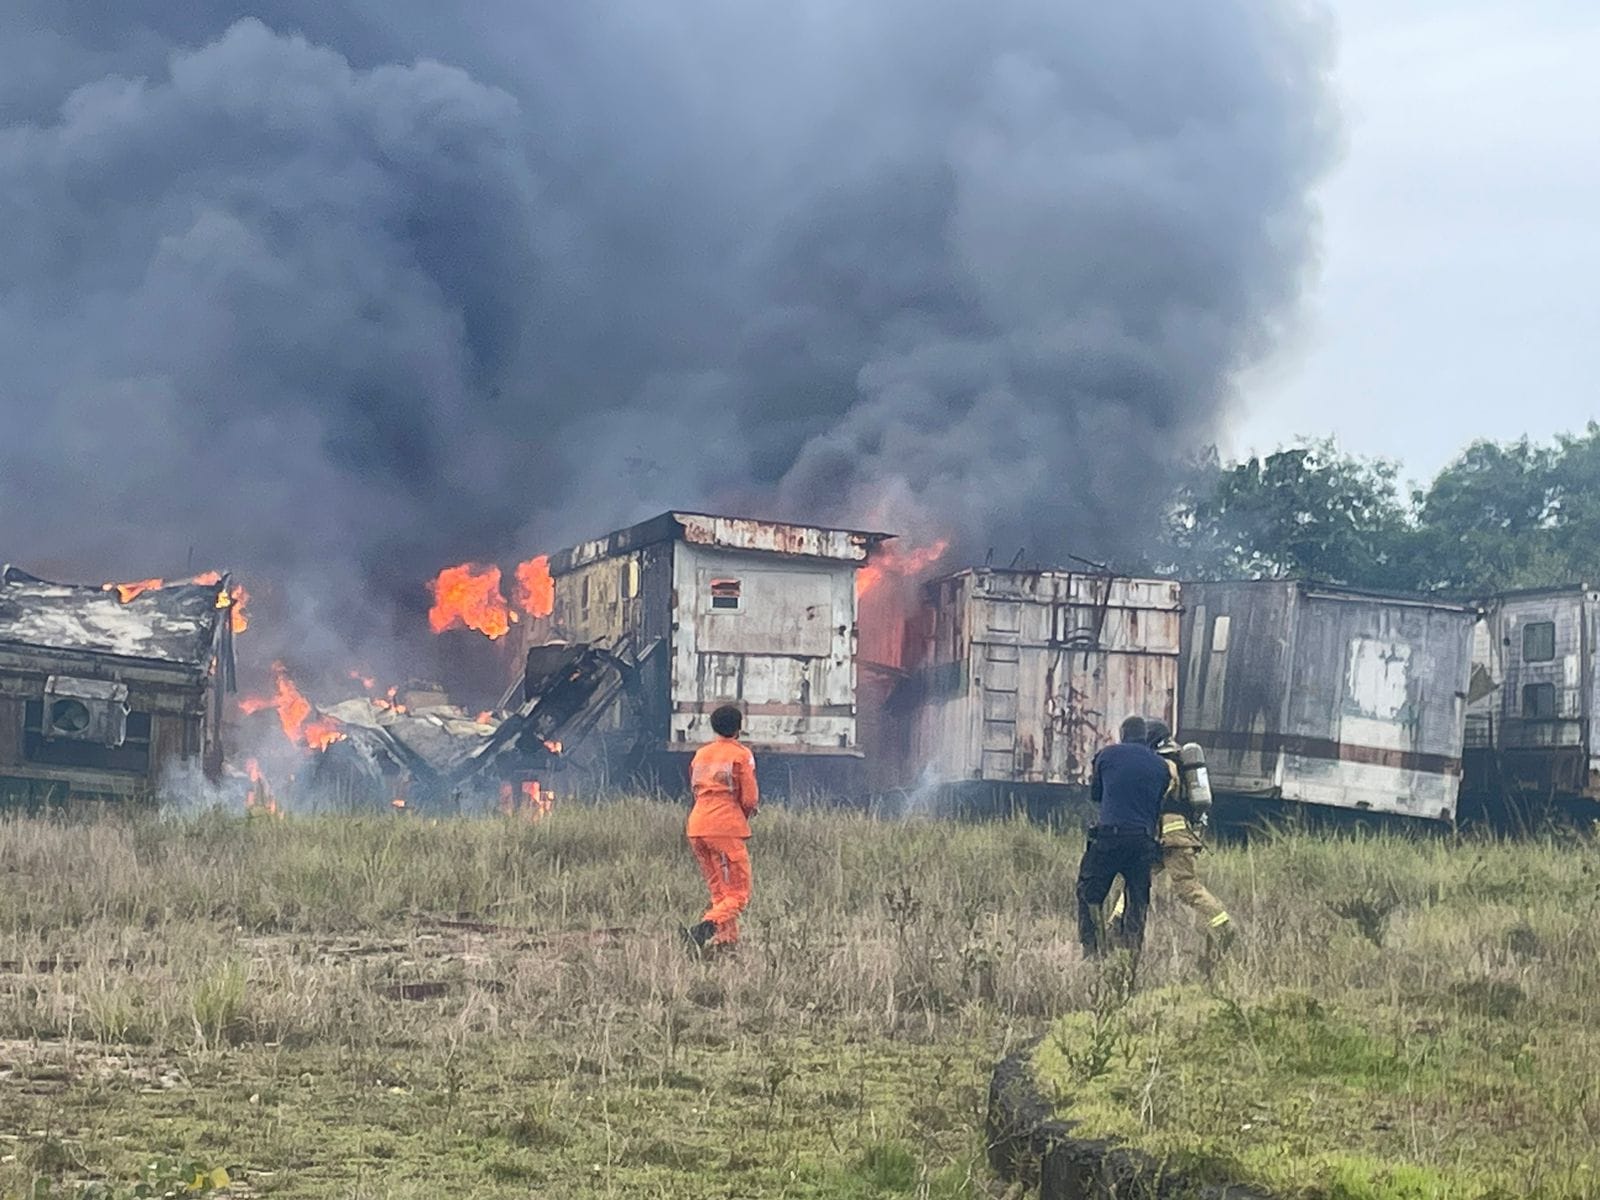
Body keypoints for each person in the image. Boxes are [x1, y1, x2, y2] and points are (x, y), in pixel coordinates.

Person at [1108, 719, 1236, 950]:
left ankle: (1224, 927)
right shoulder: (1176, 757)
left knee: (1186, 886)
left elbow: (1163, 792)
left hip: (1170, 836)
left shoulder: (1166, 762)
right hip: (1164, 836)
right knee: (1136, 879)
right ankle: (1115, 924)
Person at [1075, 715, 1167, 958]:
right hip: (1143, 842)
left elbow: (1096, 795)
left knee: (1090, 893)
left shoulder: (1107, 755)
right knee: (1137, 900)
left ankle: (1093, 950)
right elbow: (1158, 803)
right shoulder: (1161, 766)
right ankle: (1131, 952)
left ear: (1123, 734)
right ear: (1145, 736)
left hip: (1110, 838)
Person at [683, 704, 759, 952]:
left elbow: (694, 789)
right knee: (738, 894)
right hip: (725, 827)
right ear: (739, 727)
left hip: (697, 825)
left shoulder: (701, 754)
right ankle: (705, 927)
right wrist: (742, 817)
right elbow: (749, 799)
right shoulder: (741, 755)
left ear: (714, 726)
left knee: (720, 891)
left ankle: (727, 942)